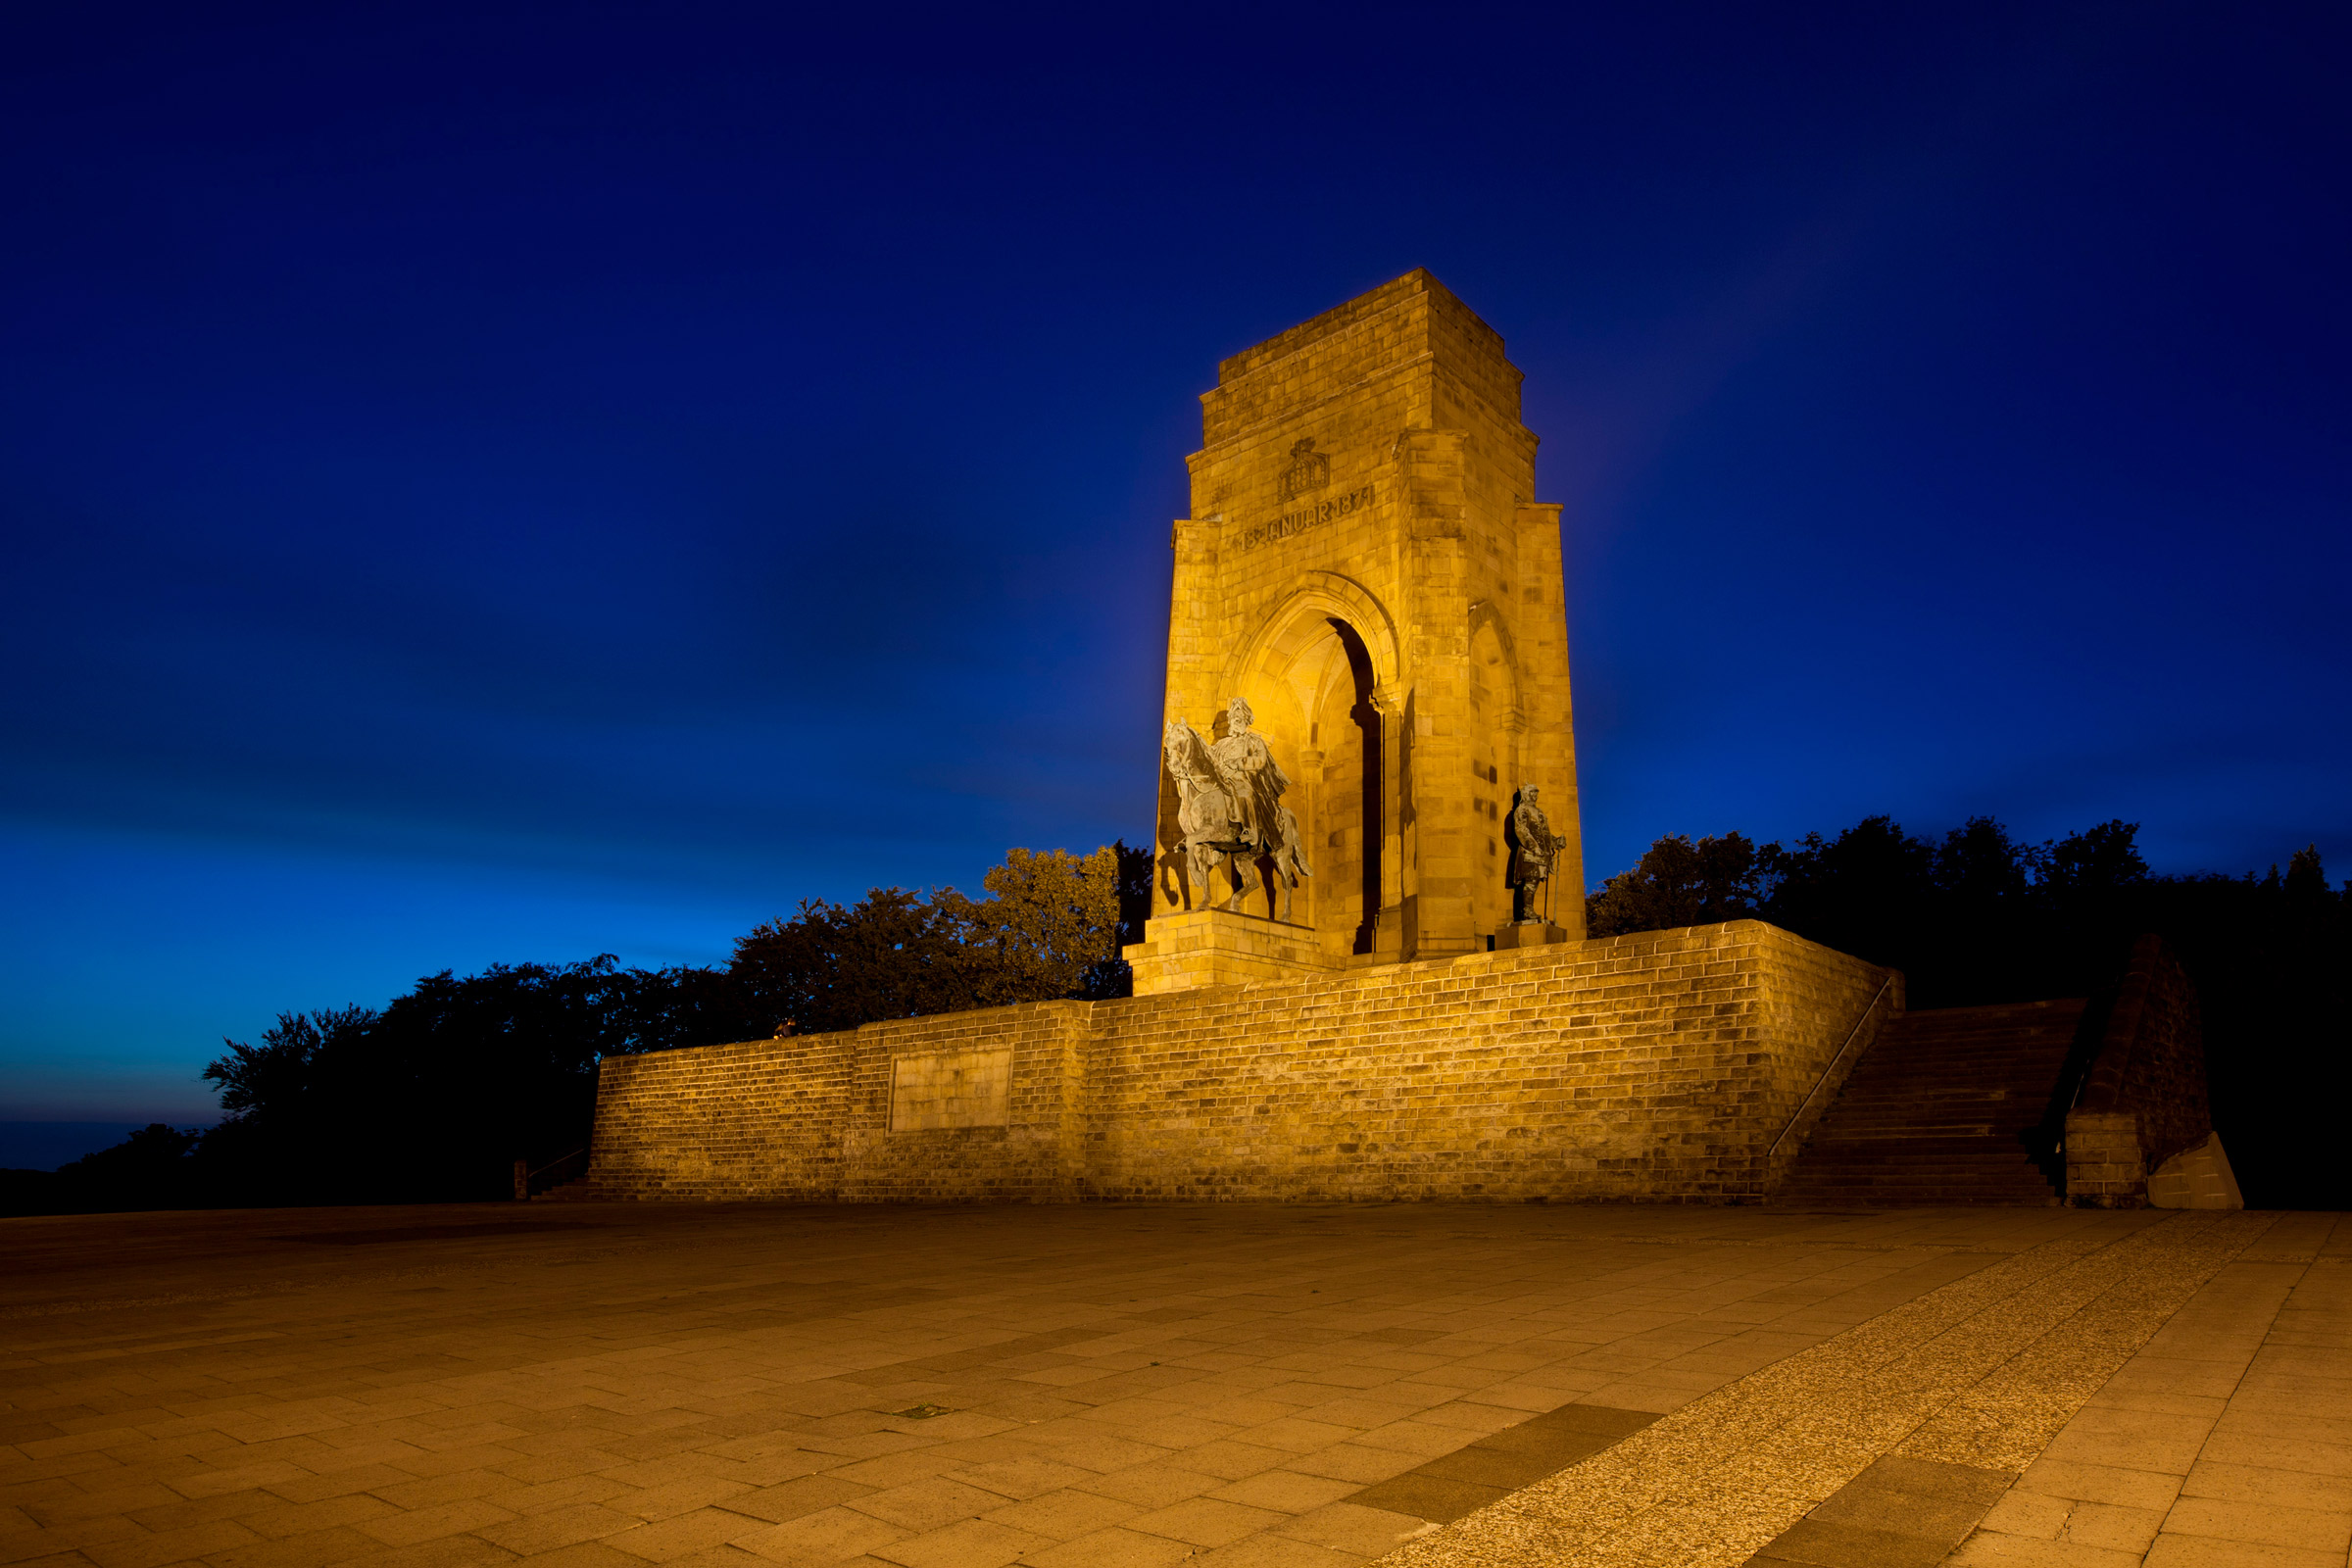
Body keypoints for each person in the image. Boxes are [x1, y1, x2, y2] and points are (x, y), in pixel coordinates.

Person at [1208, 698, 1289, 851]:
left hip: (1244, 779)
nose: (1235, 722)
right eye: (1233, 719)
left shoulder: (1254, 741)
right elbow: (1209, 756)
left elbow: (1260, 760)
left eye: (1239, 719)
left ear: (1246, 721)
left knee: (1245, 793)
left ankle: (1251, 830)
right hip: (1223, 781)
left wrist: (1239, 763)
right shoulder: (1221, 744)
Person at [1507, 786, 1562, 924]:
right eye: (1531, 793)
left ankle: (1529, 908)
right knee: (1531, 880)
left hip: (1542, 853)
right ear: (1525, 795)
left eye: (1536, 793)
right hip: (1529, 852)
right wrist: (1533, 846)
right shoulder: (1522, 810)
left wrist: (1556, 842)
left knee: (1536, 880)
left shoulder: (1539, 812)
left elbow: (1544, 833)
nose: (1534, 796)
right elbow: (1521, 829)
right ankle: (1527, 910)